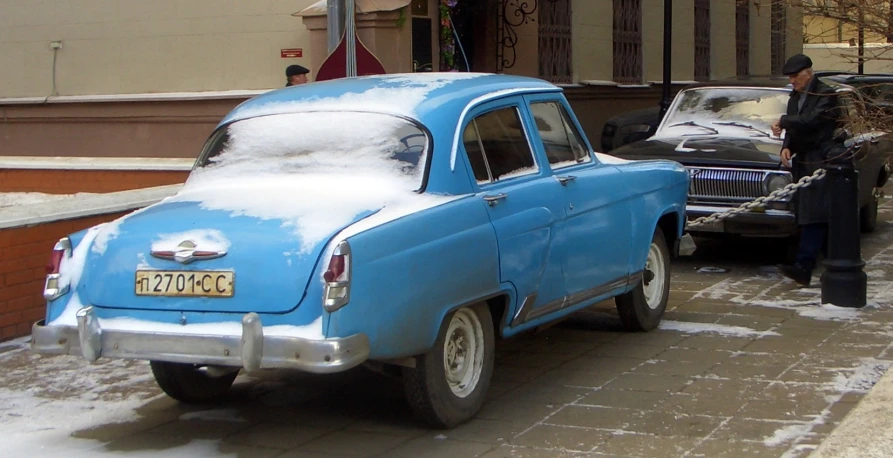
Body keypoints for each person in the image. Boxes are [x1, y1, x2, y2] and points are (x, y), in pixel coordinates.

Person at [770, 53, 847, 287]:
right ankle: (828, 261)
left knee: (816, 213)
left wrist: (783, 121)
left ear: (808, 73)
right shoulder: (795, 97)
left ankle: (805, 265)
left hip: (821, 159)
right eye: (790, 78)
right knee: (809, 212)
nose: (792, 82)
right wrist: (787, 146)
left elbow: (812, 121)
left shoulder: (825, 94)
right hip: (803, 160)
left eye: (795, 77)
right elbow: (796, 126)